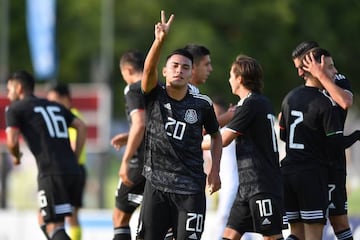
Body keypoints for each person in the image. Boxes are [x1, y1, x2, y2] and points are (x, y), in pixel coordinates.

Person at [136, 10, 222, 240]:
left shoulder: (202, 104)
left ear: (191, 73)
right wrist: (159, 41)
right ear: (164, 71)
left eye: (185, 67)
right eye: (174, 66)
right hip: (157, 185)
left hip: (191, 189)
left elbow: (216, 135)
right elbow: (147, 70)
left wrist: (214, 170)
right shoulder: (155, 95)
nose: (179, 70)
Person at [203, 54, 284, 240]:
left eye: (231, 75)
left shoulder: (251, 104)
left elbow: (223, 139)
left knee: (272, 237)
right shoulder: (255, 103)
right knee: (229, 235)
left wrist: (191, 143)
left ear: (239, 79)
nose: (229, 79)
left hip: (262, 184)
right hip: (247, 187)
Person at [5, 70, 87, 240]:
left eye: (9, 89)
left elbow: (11, 142)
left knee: (53, 225)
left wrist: (16, 156)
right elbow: (81, 126)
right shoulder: (54, 105)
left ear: (18, 87)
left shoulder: (15, 109)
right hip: (73, 171)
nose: (8, 94)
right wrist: (75, 157)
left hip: (51, 172)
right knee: (44, 218)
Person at [279, 47, 349, 239]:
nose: (335, 71)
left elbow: (284, 135)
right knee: (313, 235)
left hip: (287, 171)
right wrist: (356, 136)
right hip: (312, 174)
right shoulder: (325, 102)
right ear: (316, 68)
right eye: (330, 67)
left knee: (296, 234)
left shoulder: (289, 97)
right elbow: (335, 142)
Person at [110, 50, 146, 240]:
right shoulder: (160, 87)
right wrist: (129, 134)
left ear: (128, 70)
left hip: (139, 163)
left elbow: (140, 123)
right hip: (164, 162)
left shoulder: (132, 89)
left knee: (120, 217)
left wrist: (125, 160)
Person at [46, 83, 87, 240]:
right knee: (65, 216)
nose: (51, 104)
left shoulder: (70, 116)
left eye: (54, 100)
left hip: (70, 170)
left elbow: (72, 143)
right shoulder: (59, 116)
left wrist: (72, 161)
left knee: (66, 216)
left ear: (65, 99)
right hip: (71, 170)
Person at [205, 96, 238, 240]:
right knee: (236, 225)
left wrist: (191, 142)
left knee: (224, 218)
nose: (215, 119)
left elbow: (218, 141)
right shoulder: (212, 133)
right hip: (222, 183)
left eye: (218, 115)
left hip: (234, 182)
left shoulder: (227, 132)